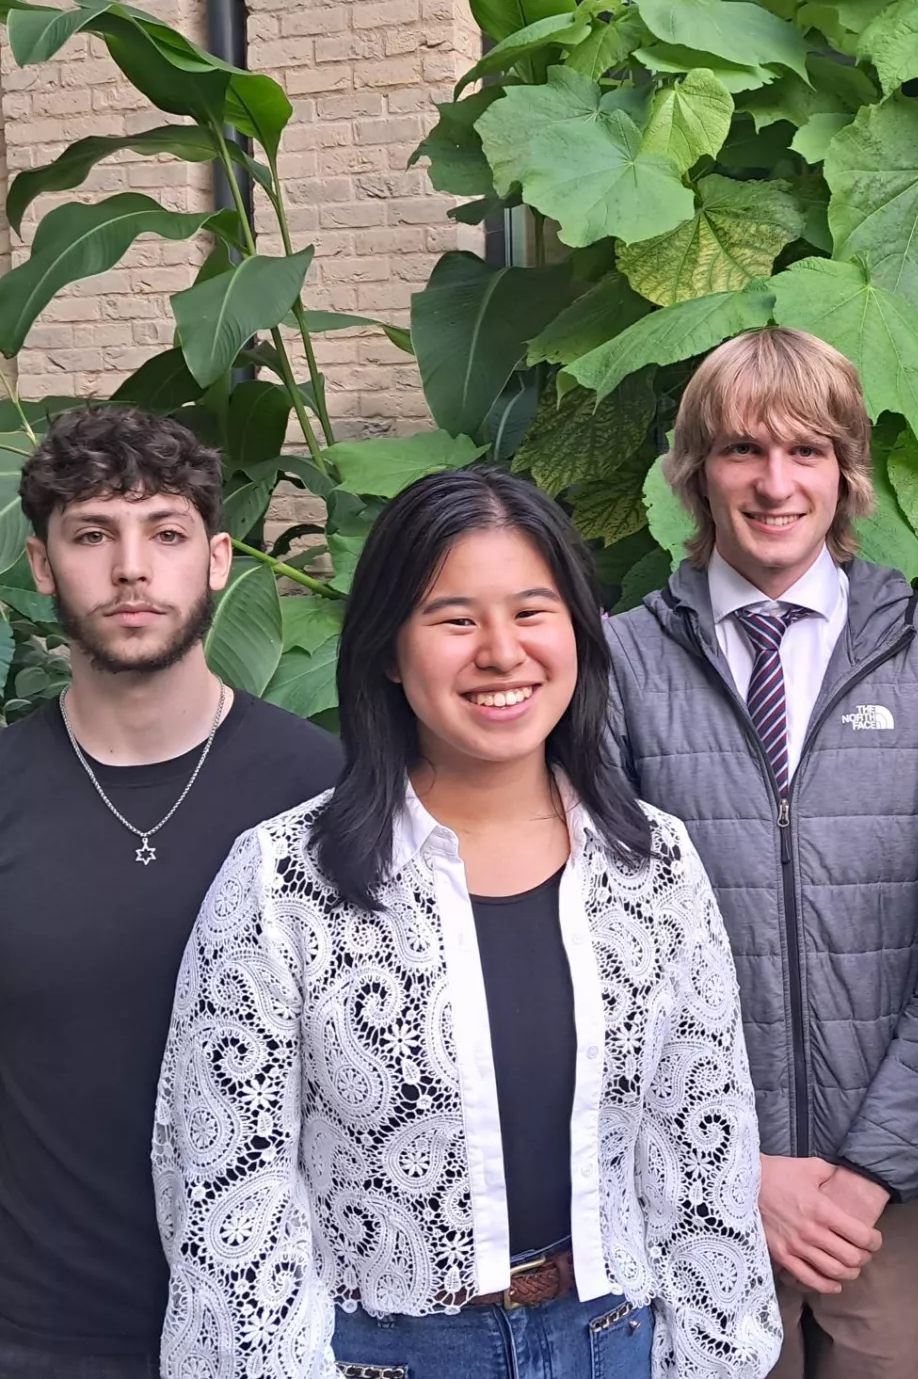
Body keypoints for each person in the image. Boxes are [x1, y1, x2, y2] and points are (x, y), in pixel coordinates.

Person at [152, 466, 781, 1379]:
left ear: (580, 633)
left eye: (532, 611)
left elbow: (700, 1154)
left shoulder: (653, 864)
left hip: (612, 1342)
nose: (500, 652)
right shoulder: (283, 882)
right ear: (387, 650)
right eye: (454, 620)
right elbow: (227, 1195)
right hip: (382, 1356)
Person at [604, 327, 918, 1379]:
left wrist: (869, 1172)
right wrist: (736, 1166)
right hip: (694, 1183)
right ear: (695, 473)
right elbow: (603, 948)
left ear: (847, 471)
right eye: (743, 451)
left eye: (808, 451)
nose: (776, 484)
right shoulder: (621, 663)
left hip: (890, 1195)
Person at [0, 406, 340, 1378]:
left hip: (280, 1335)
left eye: (166, 533)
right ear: (40, 563)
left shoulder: (322, 792)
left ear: (219, 558)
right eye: (93, 534)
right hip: (43, 1340)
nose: (132, 569)